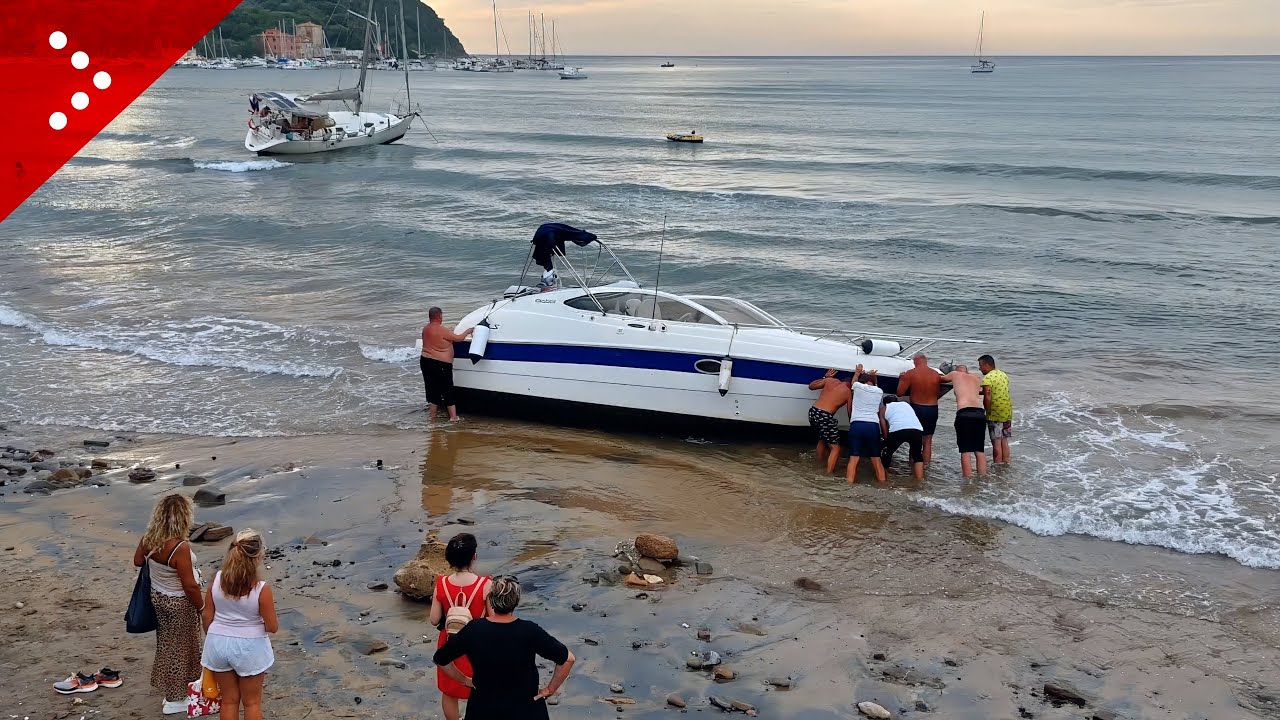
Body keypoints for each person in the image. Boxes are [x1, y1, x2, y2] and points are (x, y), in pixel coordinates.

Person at [432, 575, 576, 720]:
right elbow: (568, 659)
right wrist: (550, 689)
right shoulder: (530, 630)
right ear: (516, 601)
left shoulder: (474, 629)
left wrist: (464, 680)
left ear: (492, 600)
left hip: (483, 708)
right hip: (526, 709)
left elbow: (441, 659)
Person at [132, 494, 204, 715]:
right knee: (182, 649)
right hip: (179, 602)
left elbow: (137, 561)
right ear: (184, 517)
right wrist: (202, 607)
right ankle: (176, 699)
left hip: (158, 597)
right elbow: (189, 585)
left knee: (167, 644)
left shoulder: (150, 538)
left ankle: (174, 691)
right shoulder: (179, 547)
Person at [200, 530, 278, 720]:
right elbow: (272, 626)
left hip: (217, 643)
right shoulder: (261, 589)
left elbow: (207, 614)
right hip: (248, 647)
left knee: (229, 700)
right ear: (258, 556)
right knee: (251, 702)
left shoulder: (217, 579)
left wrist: (215, 636)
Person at [428, 534, 492, 720]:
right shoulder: (485, 584)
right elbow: (492, 617)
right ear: (474, 557)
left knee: (449, 692)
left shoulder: (442, 583)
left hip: (450, 641)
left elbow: (434, 619)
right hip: (477, 645)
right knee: (480, 688)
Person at [421, 307, 475, 422]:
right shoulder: (442, 330)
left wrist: (448, 332)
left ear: (430, 316)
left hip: (425, 361)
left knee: (432, 390)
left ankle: (432, 418)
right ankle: (453, 417)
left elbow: (439, 338)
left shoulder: (426, 329)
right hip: (440, 364)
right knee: (448, 390)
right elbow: (459, 338)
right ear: (440, 316)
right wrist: (468, 331)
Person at [938, 365, 988, 478]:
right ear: (967, 371)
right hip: (980, 413)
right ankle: (983, 479)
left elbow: (940, 379)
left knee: (965, 451)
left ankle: (968, 481)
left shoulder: (955, 374)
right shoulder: (975, 378)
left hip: (965, 414)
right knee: (979, 450)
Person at [894, 353, 942, 464]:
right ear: (926, 361)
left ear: (915, 361)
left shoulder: (910, 374)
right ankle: (926, 466)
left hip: (917, 408)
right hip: (932, 408)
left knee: (915, 439)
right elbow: (937, 394)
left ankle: (913, 465)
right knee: (928, 440)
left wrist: (902, 379)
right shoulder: (935, 374)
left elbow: (900, 393)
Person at [845, 365, 886, 484]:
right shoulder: (879, 391)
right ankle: (883, 485)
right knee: (876, 459)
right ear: (874, 382)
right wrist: (874, 377)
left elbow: (853, 383)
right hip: (873, 426)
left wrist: (857, 373)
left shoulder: (858, 387)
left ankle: (849, 485)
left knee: (853, 459)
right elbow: (874, 385)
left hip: (857, 425)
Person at [807, 368, 851, 474]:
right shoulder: (848, 392)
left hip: (813, 412)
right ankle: (829, 473)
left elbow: (811, 386)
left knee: (822, 439)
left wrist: (825, 377)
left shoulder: (830, 380)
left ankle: (818, 463)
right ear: (850, 384)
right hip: (825, 416)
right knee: (835, 448)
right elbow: (850, 412)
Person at [879, 394, 925, 480]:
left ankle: (885, 478)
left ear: (885, 403)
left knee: (887, 453)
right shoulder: (906, 404)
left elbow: (884, 427)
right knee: (917, 456)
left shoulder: (884, 409)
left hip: (898, 430)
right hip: (917, 429)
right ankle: (919, 480)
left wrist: (886, 440)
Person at [978, 354, 1013, 464]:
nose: (979, 368)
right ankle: (1006, 463)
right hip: (1007, 411)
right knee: (1004, 439)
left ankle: (997, 465)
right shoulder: (1003, 375)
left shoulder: (988, 378)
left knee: (996, 441)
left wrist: (987, 410)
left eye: (980, 365)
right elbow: (996, 391)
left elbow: (987, 395)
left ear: (987, 365)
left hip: (995, 413)